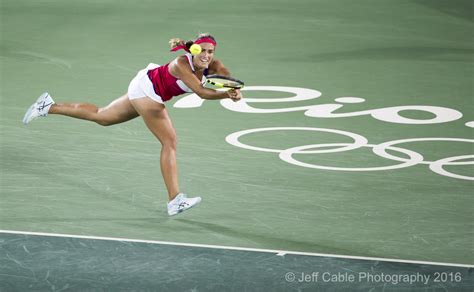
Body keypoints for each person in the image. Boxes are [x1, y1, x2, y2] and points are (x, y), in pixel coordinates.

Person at [22, 33, 242, 216]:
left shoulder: (213, 64)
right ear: (193, 50)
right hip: (148, 92)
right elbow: (202, 92)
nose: (206, 55)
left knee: (102, 116)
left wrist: (230, 86)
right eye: (201, 50)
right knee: (170, 141)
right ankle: (175, 200)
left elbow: (225, 78)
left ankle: (48, 106)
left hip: (144, 86)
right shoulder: (181, 64)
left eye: (210, 52)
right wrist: (226, 95)